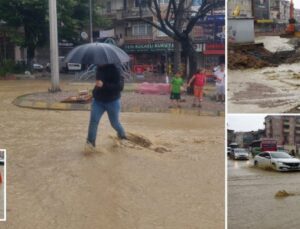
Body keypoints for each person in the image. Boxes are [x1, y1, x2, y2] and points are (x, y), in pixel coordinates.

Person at [85, 64, 126, 153]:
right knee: (93, 122)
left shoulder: (116, 69)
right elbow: (98, 85)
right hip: (98, 101)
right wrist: (93, 94)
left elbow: (120, 87)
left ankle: (123, 137)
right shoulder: (98, 68)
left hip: (112, 101)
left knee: (114, 123)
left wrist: (104, 85)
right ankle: (90, 145)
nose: (98, 62)